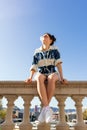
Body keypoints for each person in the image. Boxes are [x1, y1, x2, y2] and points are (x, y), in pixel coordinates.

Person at [25, 33, 68, 123]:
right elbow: (34, 65)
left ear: (50, 40)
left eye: (46, 36)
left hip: (52, 71)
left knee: (51, 78)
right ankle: (47, 109)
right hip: (41, 72)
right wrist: (30, 77)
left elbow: (58, 63)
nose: (44, 37)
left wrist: (62, 77)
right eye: (43, 36)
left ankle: (45, 110)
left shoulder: (55, 49)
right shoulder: (37, 51)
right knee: (39, 78)